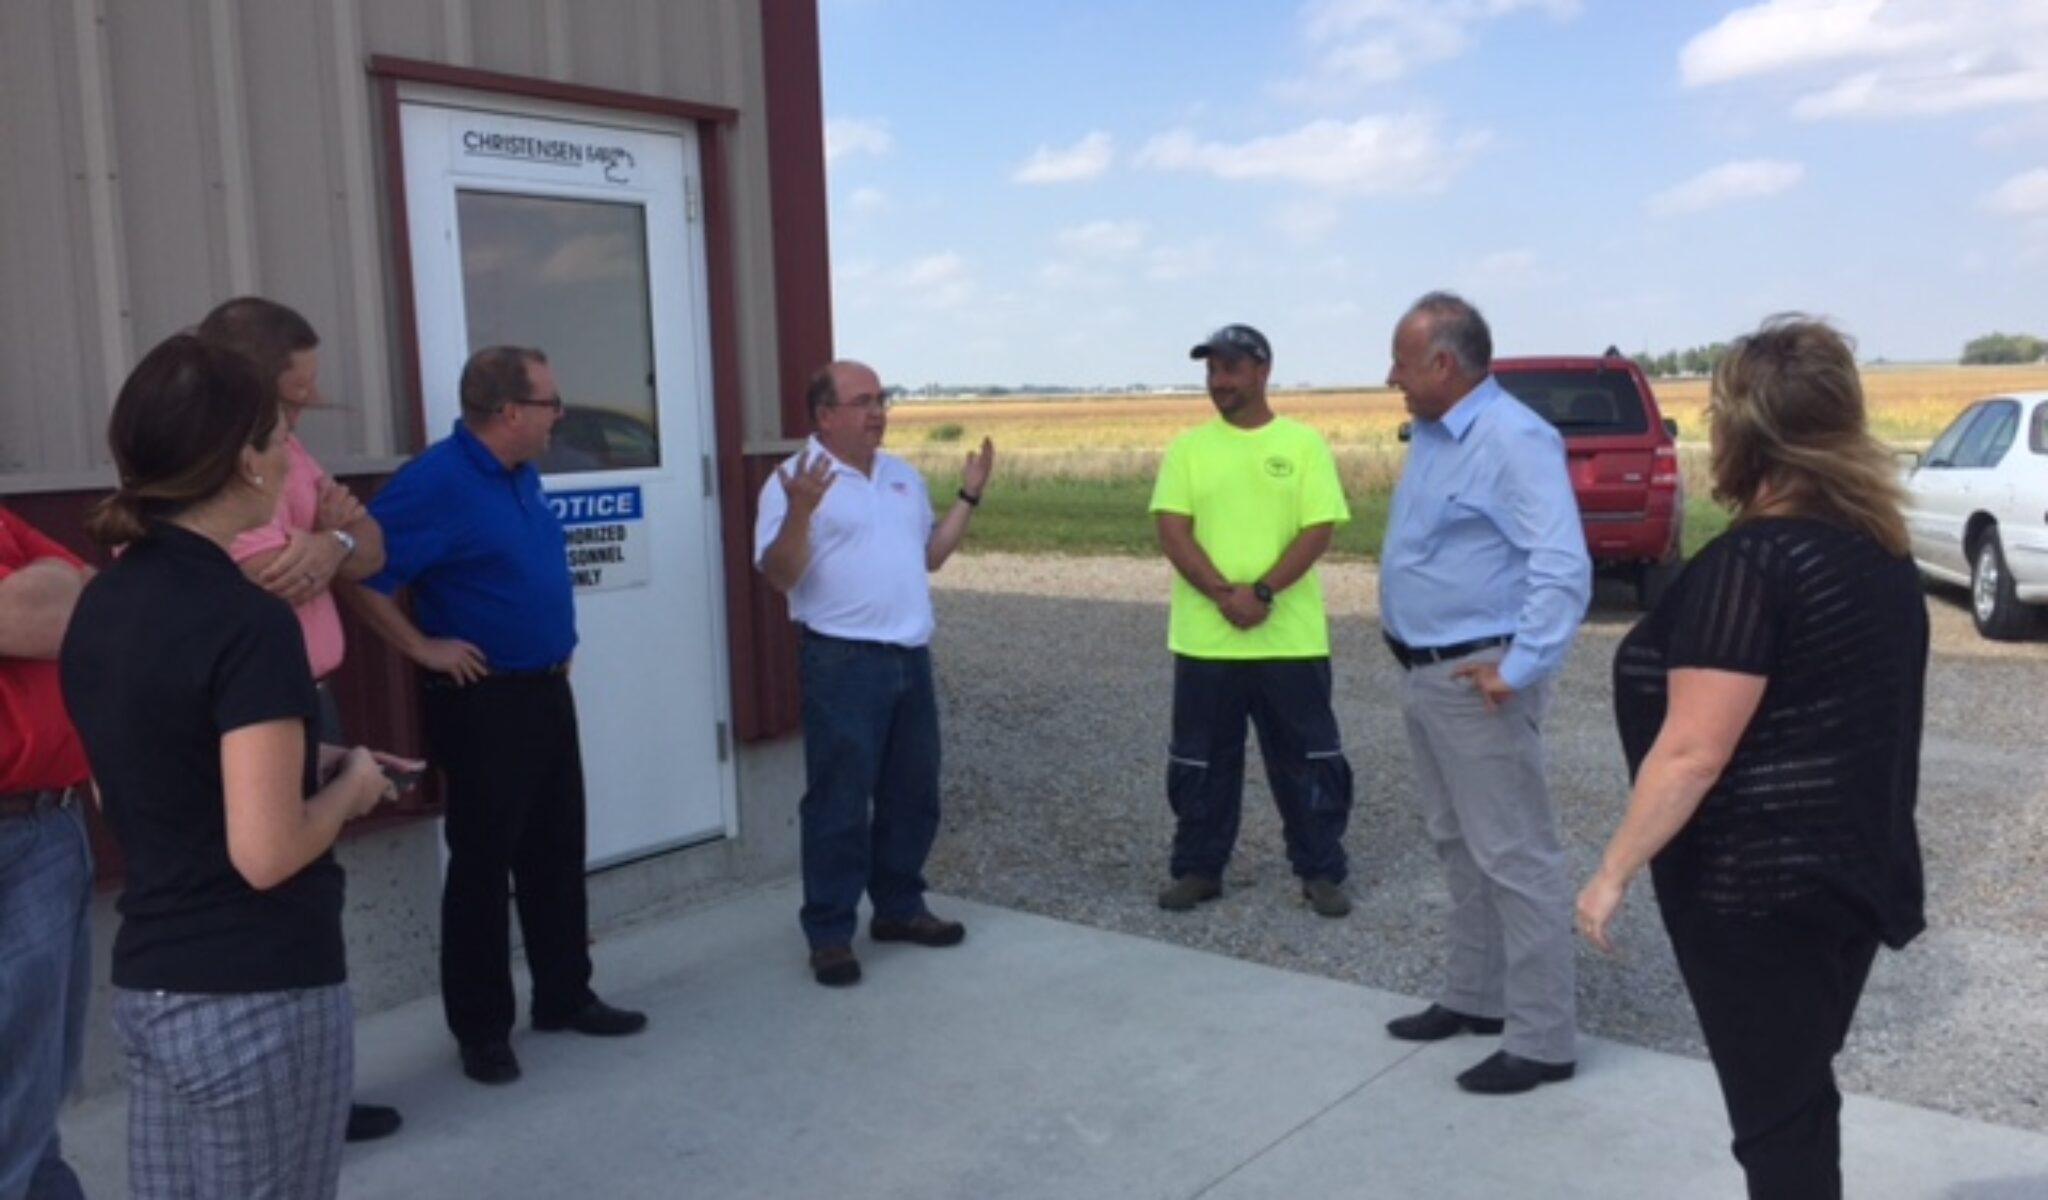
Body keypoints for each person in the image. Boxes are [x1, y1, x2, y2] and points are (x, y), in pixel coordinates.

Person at [1577, 316, 1927, 1198]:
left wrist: (1613, 869)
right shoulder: (1879, 554)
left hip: (1757, 889)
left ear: (1744, 432)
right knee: (1797, 1099)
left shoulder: (1752, 564)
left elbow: (1693, 751)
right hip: (1851, 874)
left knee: (1777, 1127)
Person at [58, 335, 401, 1199]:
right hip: (257, 994)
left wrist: (303, 755)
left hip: (150, 987)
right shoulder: (248, 622)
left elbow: (130, 775)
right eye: (279, 439)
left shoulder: (103, 599)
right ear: (245, 462)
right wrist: (352, 788)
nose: (291, 454)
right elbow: (267, 853)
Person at [346, 345, 647, 1085]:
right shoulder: (435, 484)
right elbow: (359, 572)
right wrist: (422, 647)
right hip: (483, 702)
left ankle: (564, 995)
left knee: (554, 848)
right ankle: (482, 1029)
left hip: (544, 688)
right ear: (510, 412)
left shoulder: (523, 472)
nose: (560, 414)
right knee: (484, 864)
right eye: (550, 403)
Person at [195, 294, 403, 1145]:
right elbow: (272, 577)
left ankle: (319, 1088)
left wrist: (338, 544)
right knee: (268, 890)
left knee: (315, 893)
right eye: (297, 390)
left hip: (310, 693)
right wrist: (329, 546)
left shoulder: (291, 447)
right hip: (248, 707)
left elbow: (372, 548)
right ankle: (279, 1102)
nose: (309, 404)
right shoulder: (205, 461)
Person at [1378, 292, 1590, 1095]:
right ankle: (1476, 997)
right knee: (1457, 846)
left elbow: (1562, 565)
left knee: (1514, 855)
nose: (1390, 375)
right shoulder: (1434, 435)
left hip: (1479, 682)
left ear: (1443, 363)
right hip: (1425, 672)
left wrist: (1521, 664)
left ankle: (1542, 1041)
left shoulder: (1512, 438)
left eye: (1401, 361)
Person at [754, 360, 993, 987]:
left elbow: (931, 557)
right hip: (843, 663)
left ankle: (899, 909)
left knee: (913, 795)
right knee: (837, 801)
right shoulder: (791, 481)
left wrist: (969, 496)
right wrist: (802, 512)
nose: (878, 411)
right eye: (863, 401)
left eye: (882, 399)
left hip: (910, 659)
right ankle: (830, 933)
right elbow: (779, 574)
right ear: (825, 415)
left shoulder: (902, 477)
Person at [1148, 324, 1355, 918]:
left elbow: (1319, 528)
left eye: (1231, 369)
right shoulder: (1188, 449)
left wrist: (1263, 591)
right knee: (1200, 760)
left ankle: (1320, 869)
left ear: (1262, 371)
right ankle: (1199, 867)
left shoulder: (1302, 445)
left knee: (1308, 758)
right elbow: (1172, 528)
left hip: (1289, 642)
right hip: (1207, 640)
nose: (1220, 382)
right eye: (1212, 371)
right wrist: (1223, 594)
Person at [0, 509, 94, 1200]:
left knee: (38, 1085)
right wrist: (43, 588)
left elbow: (87, 601)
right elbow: (48, 607)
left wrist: (49, 591)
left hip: (48, 823)